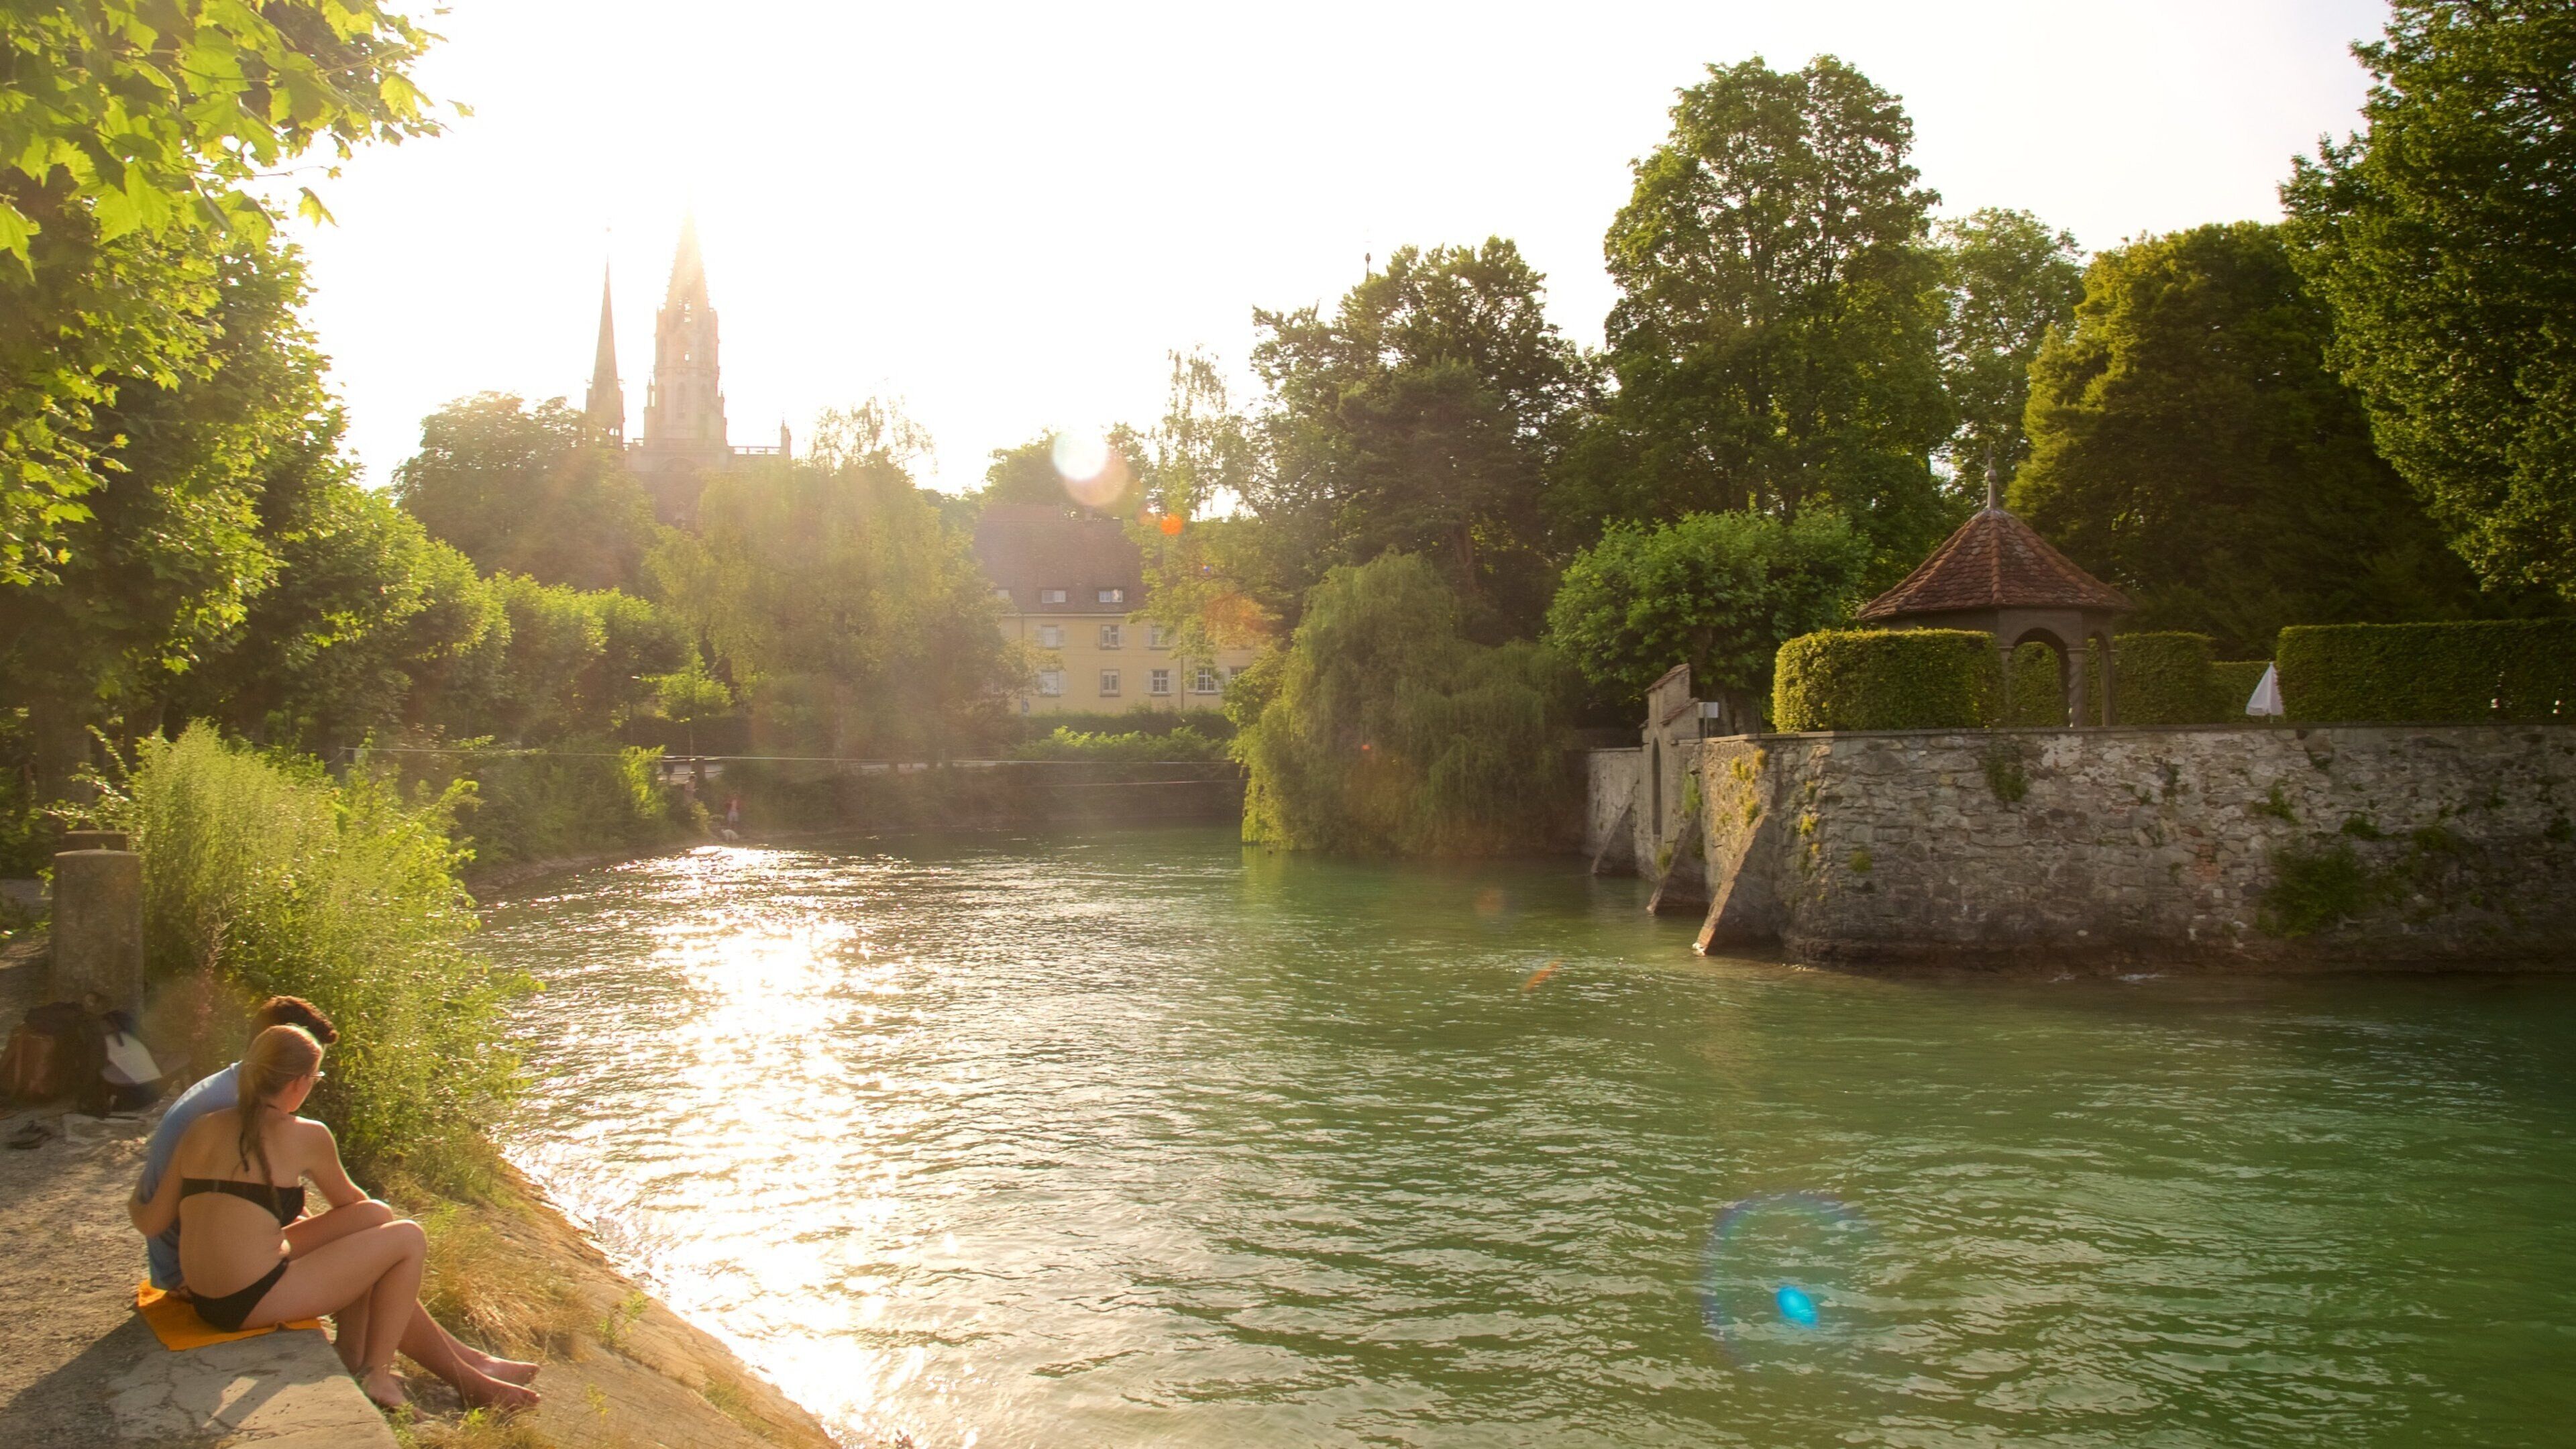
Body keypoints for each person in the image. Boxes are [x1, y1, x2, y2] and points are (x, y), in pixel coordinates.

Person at [134, 1006, 538, 1409]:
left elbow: (150, 1220)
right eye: (316, 1079)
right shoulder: (306, 1135)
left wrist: (136, 1195)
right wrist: (356, 1235)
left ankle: (364, 1353)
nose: (314, 1087)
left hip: (205, 1290)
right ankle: (377, 1373)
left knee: (375, 1219)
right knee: (407, 1238)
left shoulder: (204, 1126)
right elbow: (352, 1201)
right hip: (244, 1300)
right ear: (297, 1083)